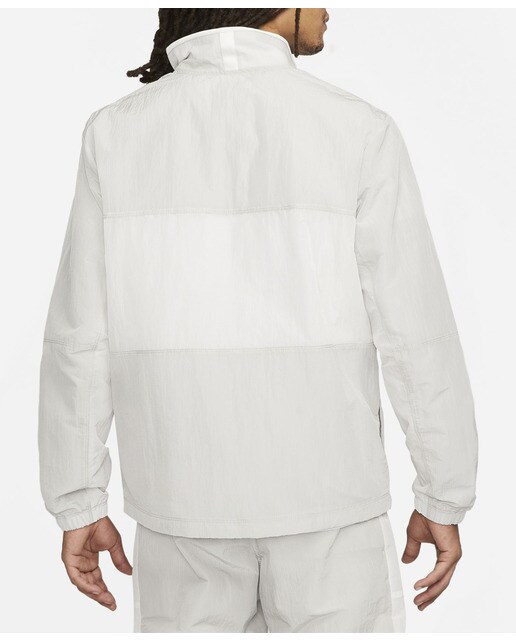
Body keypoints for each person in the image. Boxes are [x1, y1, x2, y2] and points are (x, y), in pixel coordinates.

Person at [38, 8, 478, 633]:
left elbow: (80, 335)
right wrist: (442, 489)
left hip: (179, 504)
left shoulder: (115, 134)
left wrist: (78, 499)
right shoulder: (356, 129)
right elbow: (415, 330)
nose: (328, 8)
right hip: (330, 504)